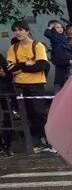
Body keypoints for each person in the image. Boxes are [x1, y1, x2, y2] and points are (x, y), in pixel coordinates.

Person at [5, 22, 53, 151]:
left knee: (39, 112)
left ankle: (49, 139)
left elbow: (41, 65)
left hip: (36, 83)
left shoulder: (37, 46)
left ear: (27, 31)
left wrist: (20, 66)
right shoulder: (13, 48)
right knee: (28, 114)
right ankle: (39, 139)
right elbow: (10, 67)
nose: (18, 33)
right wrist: (27, 63)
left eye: (20, 30)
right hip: (20, 84)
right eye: (15, 30)